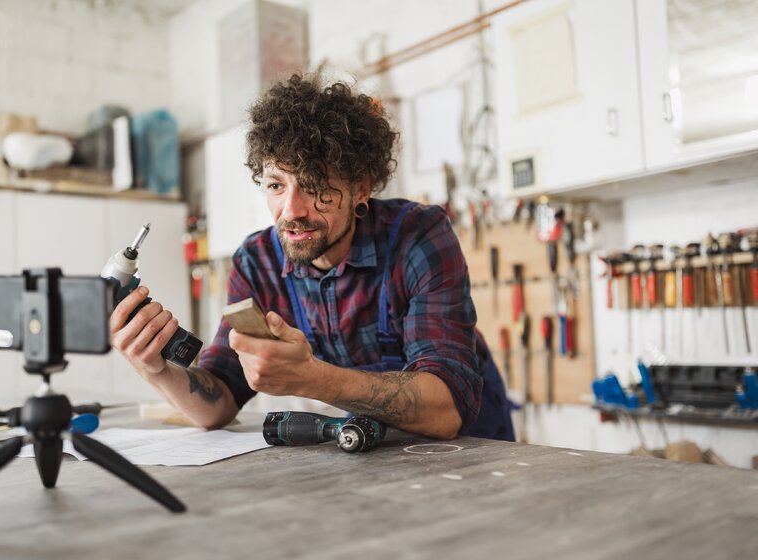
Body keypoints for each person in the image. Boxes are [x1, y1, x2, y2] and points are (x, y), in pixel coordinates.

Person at [110, 74, 514, 441]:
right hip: (372, 448)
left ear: (361, 189)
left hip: (472, 447)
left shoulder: (419, 236)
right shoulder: (256, 262)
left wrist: (312, 379)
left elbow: (447, 409)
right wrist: (156, 369)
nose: (290, 210)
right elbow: (216, 404)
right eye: (275, 185)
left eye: (315, 185)